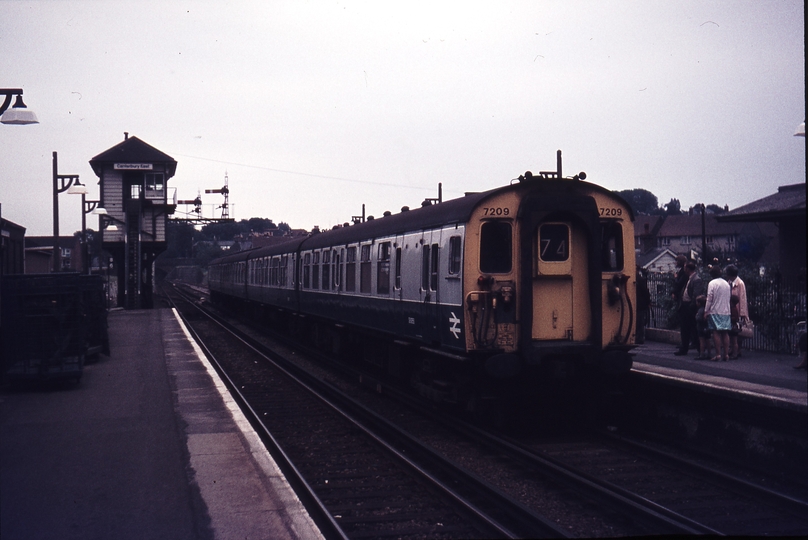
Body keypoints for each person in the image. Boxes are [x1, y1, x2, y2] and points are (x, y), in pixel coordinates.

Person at [675, 261, 704, 356]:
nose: (684, 269)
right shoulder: (689, 278)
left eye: (684, 267)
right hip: (684, 306)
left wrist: (691, 306)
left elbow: (696, 294)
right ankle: (684, 348)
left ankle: (699, 349)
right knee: (684, 328)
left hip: (689, 307)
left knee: (693, 328)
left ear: (687, 269)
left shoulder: (696, 280)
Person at [704, 265, 732, 361]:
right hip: (726, 311)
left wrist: (706, 310)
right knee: (725, 332)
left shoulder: (712, 283)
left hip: (715, 311)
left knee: (715, 332)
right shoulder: (726, 284)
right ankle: (726, 354)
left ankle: (718, 354)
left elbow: (709, 298)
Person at [725, 265, 749, 359]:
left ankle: (738, 350)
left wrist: (742, 313)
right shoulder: (729, 282)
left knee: (737, 332)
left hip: (737, 309)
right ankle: (732, 348)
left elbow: (742, 299)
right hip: (730, 308)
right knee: (731, 331)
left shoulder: (740, 283)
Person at [635, 266, 650, 344]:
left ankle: (640, 337)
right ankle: (638, 336)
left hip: (640, 304)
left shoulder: (640, 280)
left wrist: (647, 302)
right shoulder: (637, 280)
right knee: (638, 321)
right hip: (637, 303)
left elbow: (645, 292)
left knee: (640, 321)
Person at [695, 295, 712, 360]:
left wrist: (696, 316)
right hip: (707, 327)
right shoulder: (707, 310)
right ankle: (709, 353)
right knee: (708, 340)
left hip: (701, 327)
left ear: (699, 303)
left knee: (702, 340)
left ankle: (702, 353)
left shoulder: (700, 310)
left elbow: (698, 318)